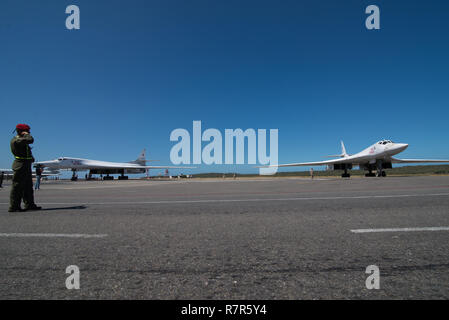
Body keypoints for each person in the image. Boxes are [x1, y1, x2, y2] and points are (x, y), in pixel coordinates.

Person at [9, 124, 42, 212]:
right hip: (20, 165)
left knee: (28, 186)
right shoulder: (17, 140)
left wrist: (31, 157)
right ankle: (14, 206)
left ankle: (29, 204)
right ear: (20, 131)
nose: (28, 132)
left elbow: (25, 150)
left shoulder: (21, 140)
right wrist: (26, 134)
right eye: (27, 131)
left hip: (26, 165)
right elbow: (30, 140)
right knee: (17, 186)